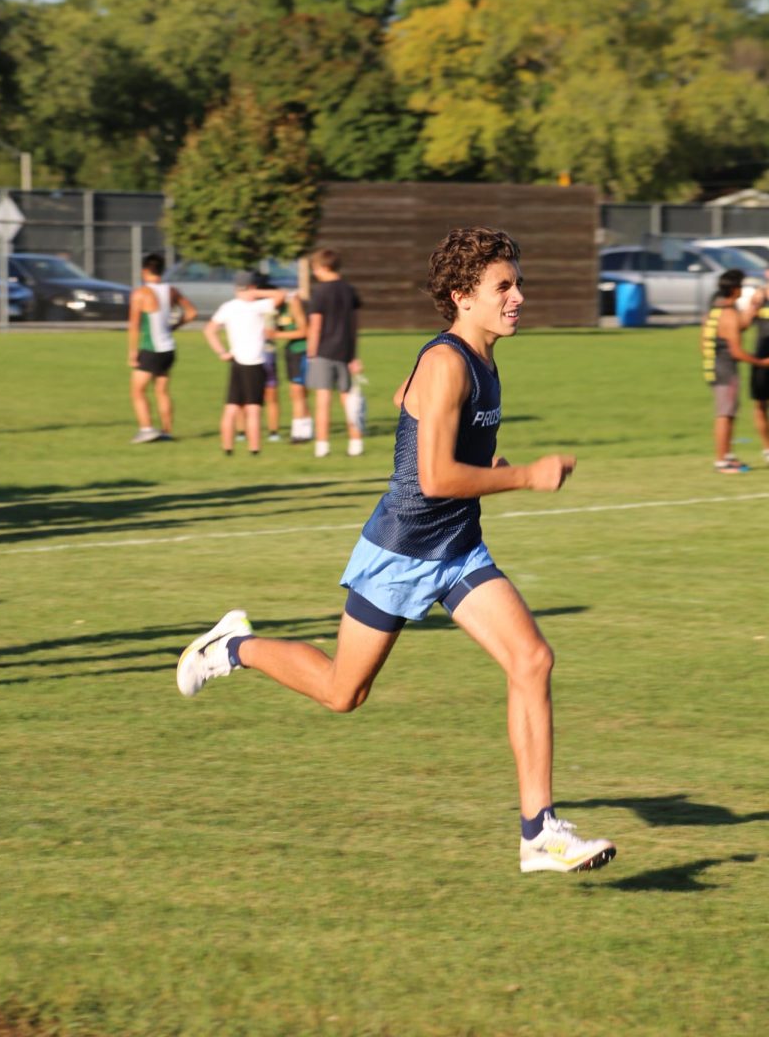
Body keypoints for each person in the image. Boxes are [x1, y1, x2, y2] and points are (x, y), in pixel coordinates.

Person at [177, 227, 617, 874]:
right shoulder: (447, 361)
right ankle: (231, 647)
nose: (519, 295)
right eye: (505, 286)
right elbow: (435, 478)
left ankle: (539, 834)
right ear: (463, 296)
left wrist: (464, 448)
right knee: (341, 693)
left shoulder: (479, 358)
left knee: (532, 659)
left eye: (518, 282)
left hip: (458, 547)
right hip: (403, 549)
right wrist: (524, 474)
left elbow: (406, 407)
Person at [204, 271, 284, 456]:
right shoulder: (258, 306)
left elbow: (209, 330)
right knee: (253, 408)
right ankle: (254, 449)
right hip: (255, 363)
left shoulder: (228, 307)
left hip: (236, 361)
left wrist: (222, 352)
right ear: (252, 287)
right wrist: (258, 294)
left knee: (231, 407)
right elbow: (281, 295)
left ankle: (227, 448)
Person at [701, 269, 769, 473]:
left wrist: (751, 309)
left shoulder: (718, 309)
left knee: (729, 412)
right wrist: (761, 363)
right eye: (740, 286)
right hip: (725, 370)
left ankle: (728, 456)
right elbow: (737, 351)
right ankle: (722, 462)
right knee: (725, 414)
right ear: (734, 289)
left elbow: (738, 327)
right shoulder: (728, 314)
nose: (742, 290)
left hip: (715, 367)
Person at [128, 251, 197, 443]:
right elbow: (192, 312)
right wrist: (174, 326)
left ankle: (146, 429)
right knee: (162, 391)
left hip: (151, 348)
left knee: (137, 391)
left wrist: (132, 352)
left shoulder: (141, 293)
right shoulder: (171, 290)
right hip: (168, 348)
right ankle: (166, 432)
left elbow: (134, 325)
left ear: (144, 271)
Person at [305, 247, 363, 458]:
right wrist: (354, 355)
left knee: (323, 399)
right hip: (346, 351)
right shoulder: (349, 290)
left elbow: (316, 325)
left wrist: (311, 352)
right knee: (349, 399)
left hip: (323, 351)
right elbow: (354, 323)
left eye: (314, 268)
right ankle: (356, 443)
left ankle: (322, 445)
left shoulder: (320, 292)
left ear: (322, 267)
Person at [271, 292, 313, 443]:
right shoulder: (276, 309)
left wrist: (274, 335)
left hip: (301, 350)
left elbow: (304, 330)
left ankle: (298, 433)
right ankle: (306, 430)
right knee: (297, 393)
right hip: (291, 351)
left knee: (297, 391)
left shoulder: (293, 303)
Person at [748, 268, 769, 464]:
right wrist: (752, 307)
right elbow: (744, 323)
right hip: (762, 359)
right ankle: (767, 449)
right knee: (760, 403)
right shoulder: (759, 296)